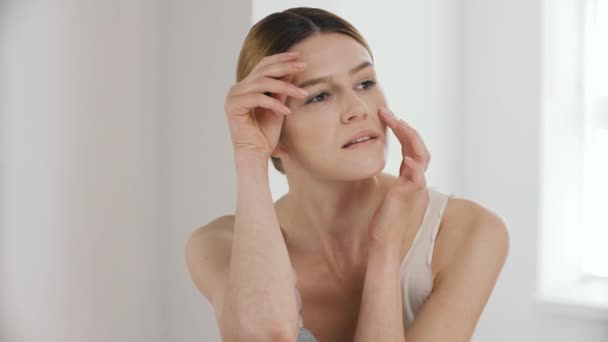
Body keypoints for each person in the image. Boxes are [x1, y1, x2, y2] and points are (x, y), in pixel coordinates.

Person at [186, 7, 509, 342]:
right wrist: (251, 155)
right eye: (320, 96)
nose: (358, 109)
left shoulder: (468, 230)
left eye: (365, 82)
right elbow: (267, 335)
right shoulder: (219, 244)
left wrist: (384, 248)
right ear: (274, 131)